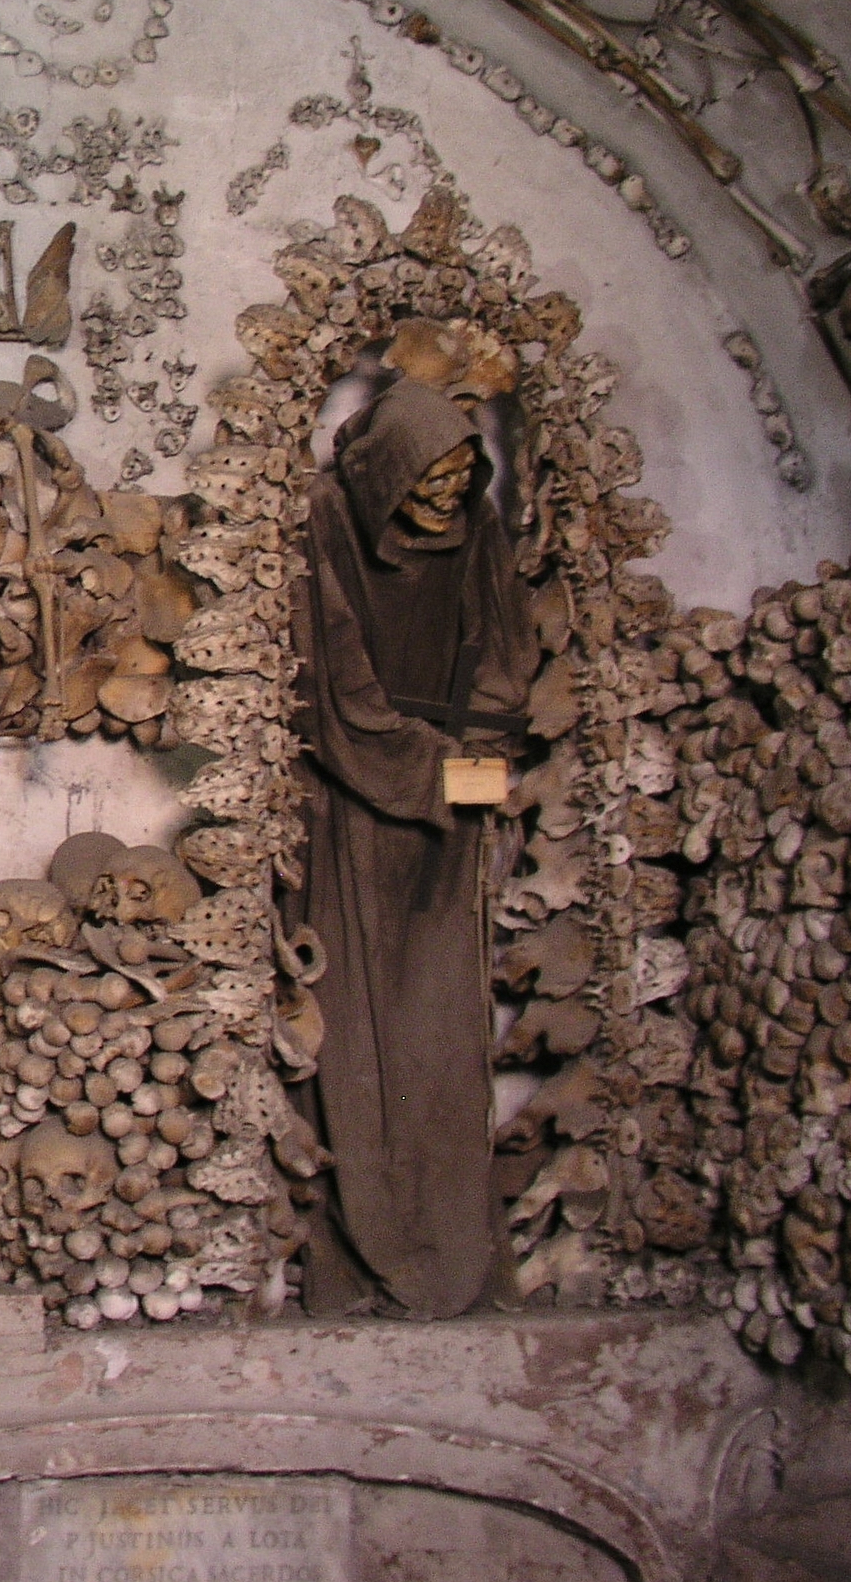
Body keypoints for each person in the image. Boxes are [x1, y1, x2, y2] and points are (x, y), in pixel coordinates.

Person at [288, 376, 533, 1318]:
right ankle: (363, 1250)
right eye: (423, 482)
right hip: (350, 808)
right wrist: (437, 768)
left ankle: (448, 1248)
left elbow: (501, 648)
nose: (441, 502)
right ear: (386, 469)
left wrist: (485, 751)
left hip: (447, 821)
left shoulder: (474, 528)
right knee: (347, 1030)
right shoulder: (324, 517)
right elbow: (335, 679)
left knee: (441, 1036)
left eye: (458, 482)